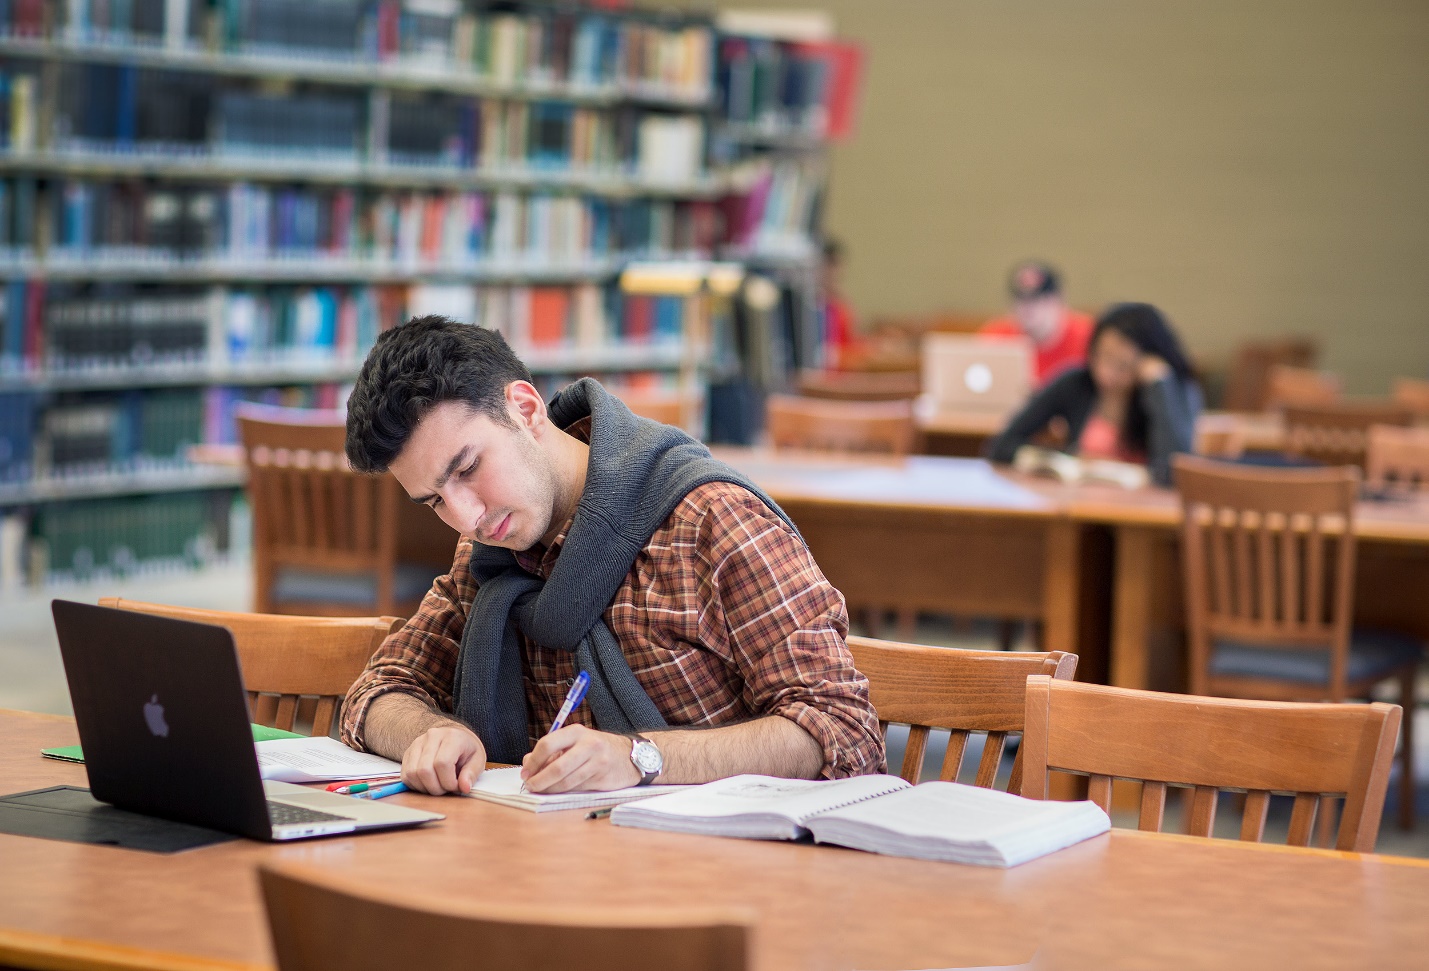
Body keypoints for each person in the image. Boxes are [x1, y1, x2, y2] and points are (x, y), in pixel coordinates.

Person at [339, 315, 884, 796]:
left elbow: (843, 729)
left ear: (525, 409)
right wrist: (432, 734)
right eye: (435, 499)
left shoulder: (712, 523)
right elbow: (379, 690)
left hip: (719, 872)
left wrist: (639, 757)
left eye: (467, 468)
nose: (466, 516)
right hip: (551, 869)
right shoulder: (489, 551)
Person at [985, 303, 1202, 486]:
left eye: (1122, 366)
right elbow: (1002, 445)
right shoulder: (1076, 382)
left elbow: (1174, 475)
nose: (1106, 374)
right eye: (1102, 357)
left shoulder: (1174, 391)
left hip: (1143, 518)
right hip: (1079, 505)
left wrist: (1159, 386)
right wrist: (1058, 461)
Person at [981, 261, 1094, 385]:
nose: (1029, 307)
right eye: (1021, 298)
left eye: (1038, 298)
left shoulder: (1088, 337)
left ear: (1059, 298)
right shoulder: (997, 338)